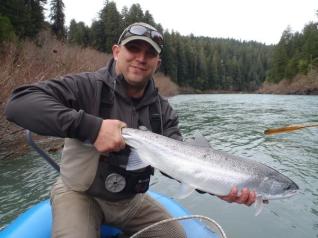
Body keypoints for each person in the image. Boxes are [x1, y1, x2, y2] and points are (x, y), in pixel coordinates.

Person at [5, 22, 256, 237]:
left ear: (158, 62)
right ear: (116, 52)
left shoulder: (163, 111)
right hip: (78, 194)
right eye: (133, 48)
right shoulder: (86, 86)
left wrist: (219, 187)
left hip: (130, 203)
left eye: (150, 53)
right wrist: (92, 128)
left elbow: (181, 165)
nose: (140, 58)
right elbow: (19, 103)